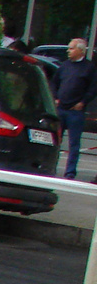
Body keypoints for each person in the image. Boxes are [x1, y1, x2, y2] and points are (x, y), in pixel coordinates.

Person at [54, 38, 97, 180]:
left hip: (75, 111)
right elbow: (55, 82)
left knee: (74, 143)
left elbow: (93, 89)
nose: (68, 51)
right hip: (61, 108)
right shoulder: (64, 66)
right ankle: (51, 166)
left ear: (81, 50)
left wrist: (83, 102)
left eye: (71, 48)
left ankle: (70, 172)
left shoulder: (89, 68)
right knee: (55, 140)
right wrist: (55, 97)